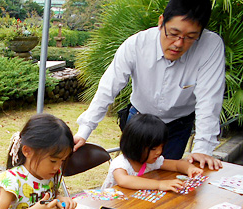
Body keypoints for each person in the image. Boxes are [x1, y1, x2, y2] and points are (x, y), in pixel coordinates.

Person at [74, 0, 224, 171]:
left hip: (178, 126)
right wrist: (84, 131)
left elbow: (209, 100)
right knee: (130, 175)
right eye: (173, 33)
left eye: (190, 37)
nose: (179, 43)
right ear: (161, 22)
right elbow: (108, 88)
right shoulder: (137, 44)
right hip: (140, 121)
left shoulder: (211, 46)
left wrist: (202, 149)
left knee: (166, 178)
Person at [102, 113, 204, 192]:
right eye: (153, 149)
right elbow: (124, 180)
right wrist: (159, 185)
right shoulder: (121, 163)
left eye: (162, 147)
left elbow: (177, 164)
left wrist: (190, 168)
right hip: (110, 205)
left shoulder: (152, 160)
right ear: (135, 146)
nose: (159, 152)